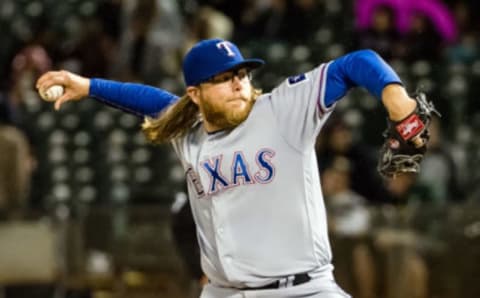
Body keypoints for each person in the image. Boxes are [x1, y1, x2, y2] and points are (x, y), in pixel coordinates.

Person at [37, 38, 421, 298]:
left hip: (304, 290)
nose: (237, 84)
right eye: (222, 79)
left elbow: (356, 63)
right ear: (195, 94)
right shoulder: (186, 130)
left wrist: (395, 97)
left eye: (240, 74)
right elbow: (150, 101)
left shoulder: (282, 110)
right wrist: (87, 86)